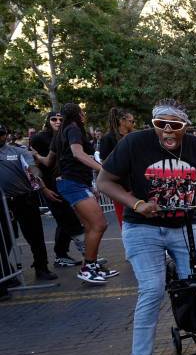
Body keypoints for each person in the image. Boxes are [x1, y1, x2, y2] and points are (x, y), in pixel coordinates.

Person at [96, 98, 196, 355]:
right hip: (141, 226)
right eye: (162, 125)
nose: (169, 132)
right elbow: (104, 181)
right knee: (151, 288)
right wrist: (136, 203)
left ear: (186, 127)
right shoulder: (135, 143)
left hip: (183, 226)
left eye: (176, 126)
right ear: (154, 124)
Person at [38, 103, 118, 284]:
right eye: (83, 112)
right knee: (99, 224)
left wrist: (35, 155)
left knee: (92, 226)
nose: (84, 116)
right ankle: (88, 267)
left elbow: (48, 160)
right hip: (72, 184)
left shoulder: (60, 134)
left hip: (75, 183)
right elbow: (78, 154)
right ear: (78, 114)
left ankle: (92, 265)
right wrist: (103, 169)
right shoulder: (73, 129)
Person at [0, 124, 58, 281]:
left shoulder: (18, 151)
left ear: (6, 135)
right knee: (4, 240)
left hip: (24, 199)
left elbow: (32, 168)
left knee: (35, 236)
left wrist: (40, 181)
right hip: (2, 204)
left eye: (1, 134)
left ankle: (42, 268)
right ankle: (6, 273)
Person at [31, 112, 84, 267]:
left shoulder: (66, 134)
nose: (58, 121)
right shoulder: (39, 138)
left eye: (61, 119)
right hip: (50, 186)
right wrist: (44, 188)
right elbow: (34, 166)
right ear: (48, 121)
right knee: (68, 220)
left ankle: (61, 255)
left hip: (68, 184)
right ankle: (85, 256)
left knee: (66, 221)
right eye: (54, 119)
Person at [99, 107, 135, 228]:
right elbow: (105, 163)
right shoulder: (108, 138)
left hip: (136, 182)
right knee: (125, 219)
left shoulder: (133, 136)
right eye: (131, 121)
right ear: (122, 121)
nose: (133, 124)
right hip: (119, 185)